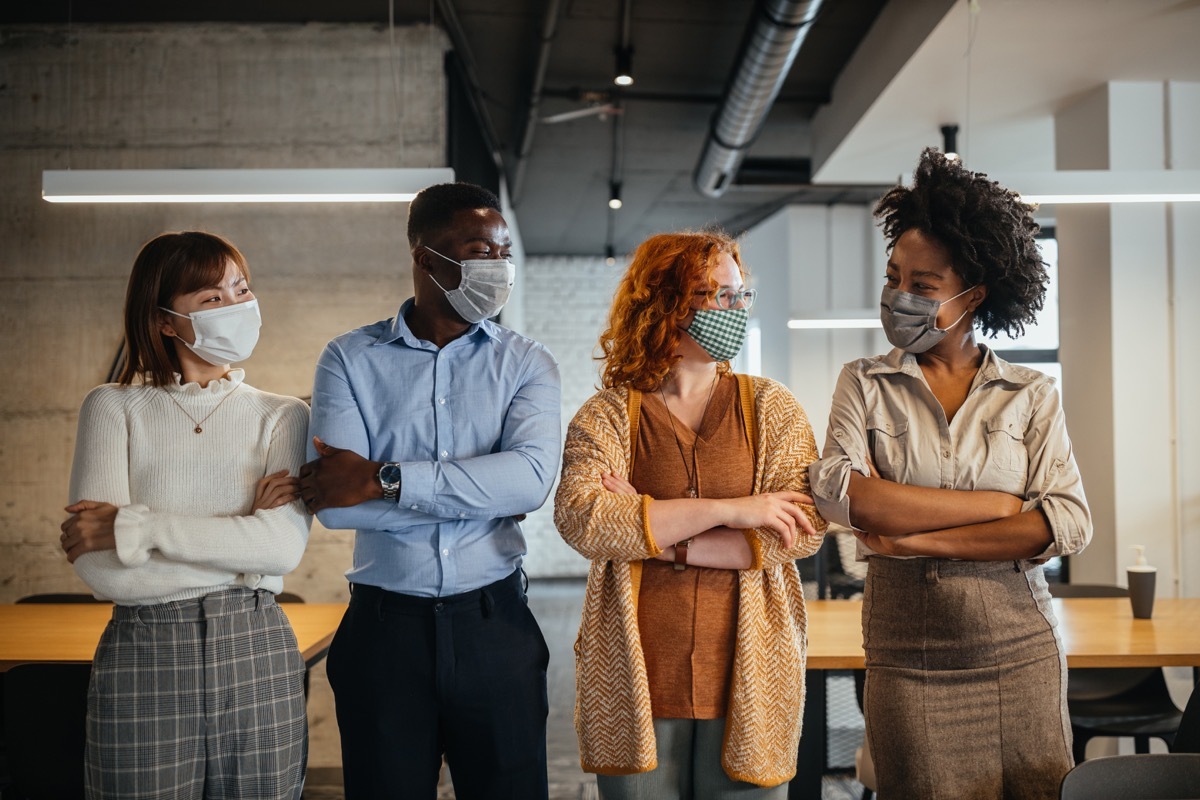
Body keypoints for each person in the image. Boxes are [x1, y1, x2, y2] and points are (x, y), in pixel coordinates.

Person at [808, 148, 1092, 800]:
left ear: (973, 296)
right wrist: (1000, 508)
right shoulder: (865, 381)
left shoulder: (1030, 393)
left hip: (1022, 652)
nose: (899, 296)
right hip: (909, 660)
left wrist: (915, 537)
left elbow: (1069, 522)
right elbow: (838, 493)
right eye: (893, 277)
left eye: (923, 286)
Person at [298, 182, 561, 800]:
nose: (497, 268)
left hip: (495, 625)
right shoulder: (349, 358)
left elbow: (529, 480)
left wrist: (386, 478)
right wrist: (481, 489)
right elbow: (337, 506)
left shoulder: (526, 362)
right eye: (480, 251)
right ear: (427, 258)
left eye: (503, 253)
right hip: (383, 634)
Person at [554, 230, 826, 799]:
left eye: (738, 294)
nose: (734, 308)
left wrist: (658, 531)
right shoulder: (609, 415)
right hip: (638, 677)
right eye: (713, 294)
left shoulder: (770, 407)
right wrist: (737, 510)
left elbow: (800, 530)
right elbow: (584, 519)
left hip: (750, 677)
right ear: (663, 303)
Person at [60, 231, 311, 800]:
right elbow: (102, 569)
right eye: (213, 299)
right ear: (166, 321)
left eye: (241, 289)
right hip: (144, 648)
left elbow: (281, 550)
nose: (239, 306)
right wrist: (239, 545)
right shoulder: (113, 407)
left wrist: (136, 528)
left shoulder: (282, 416)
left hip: (256, 648)